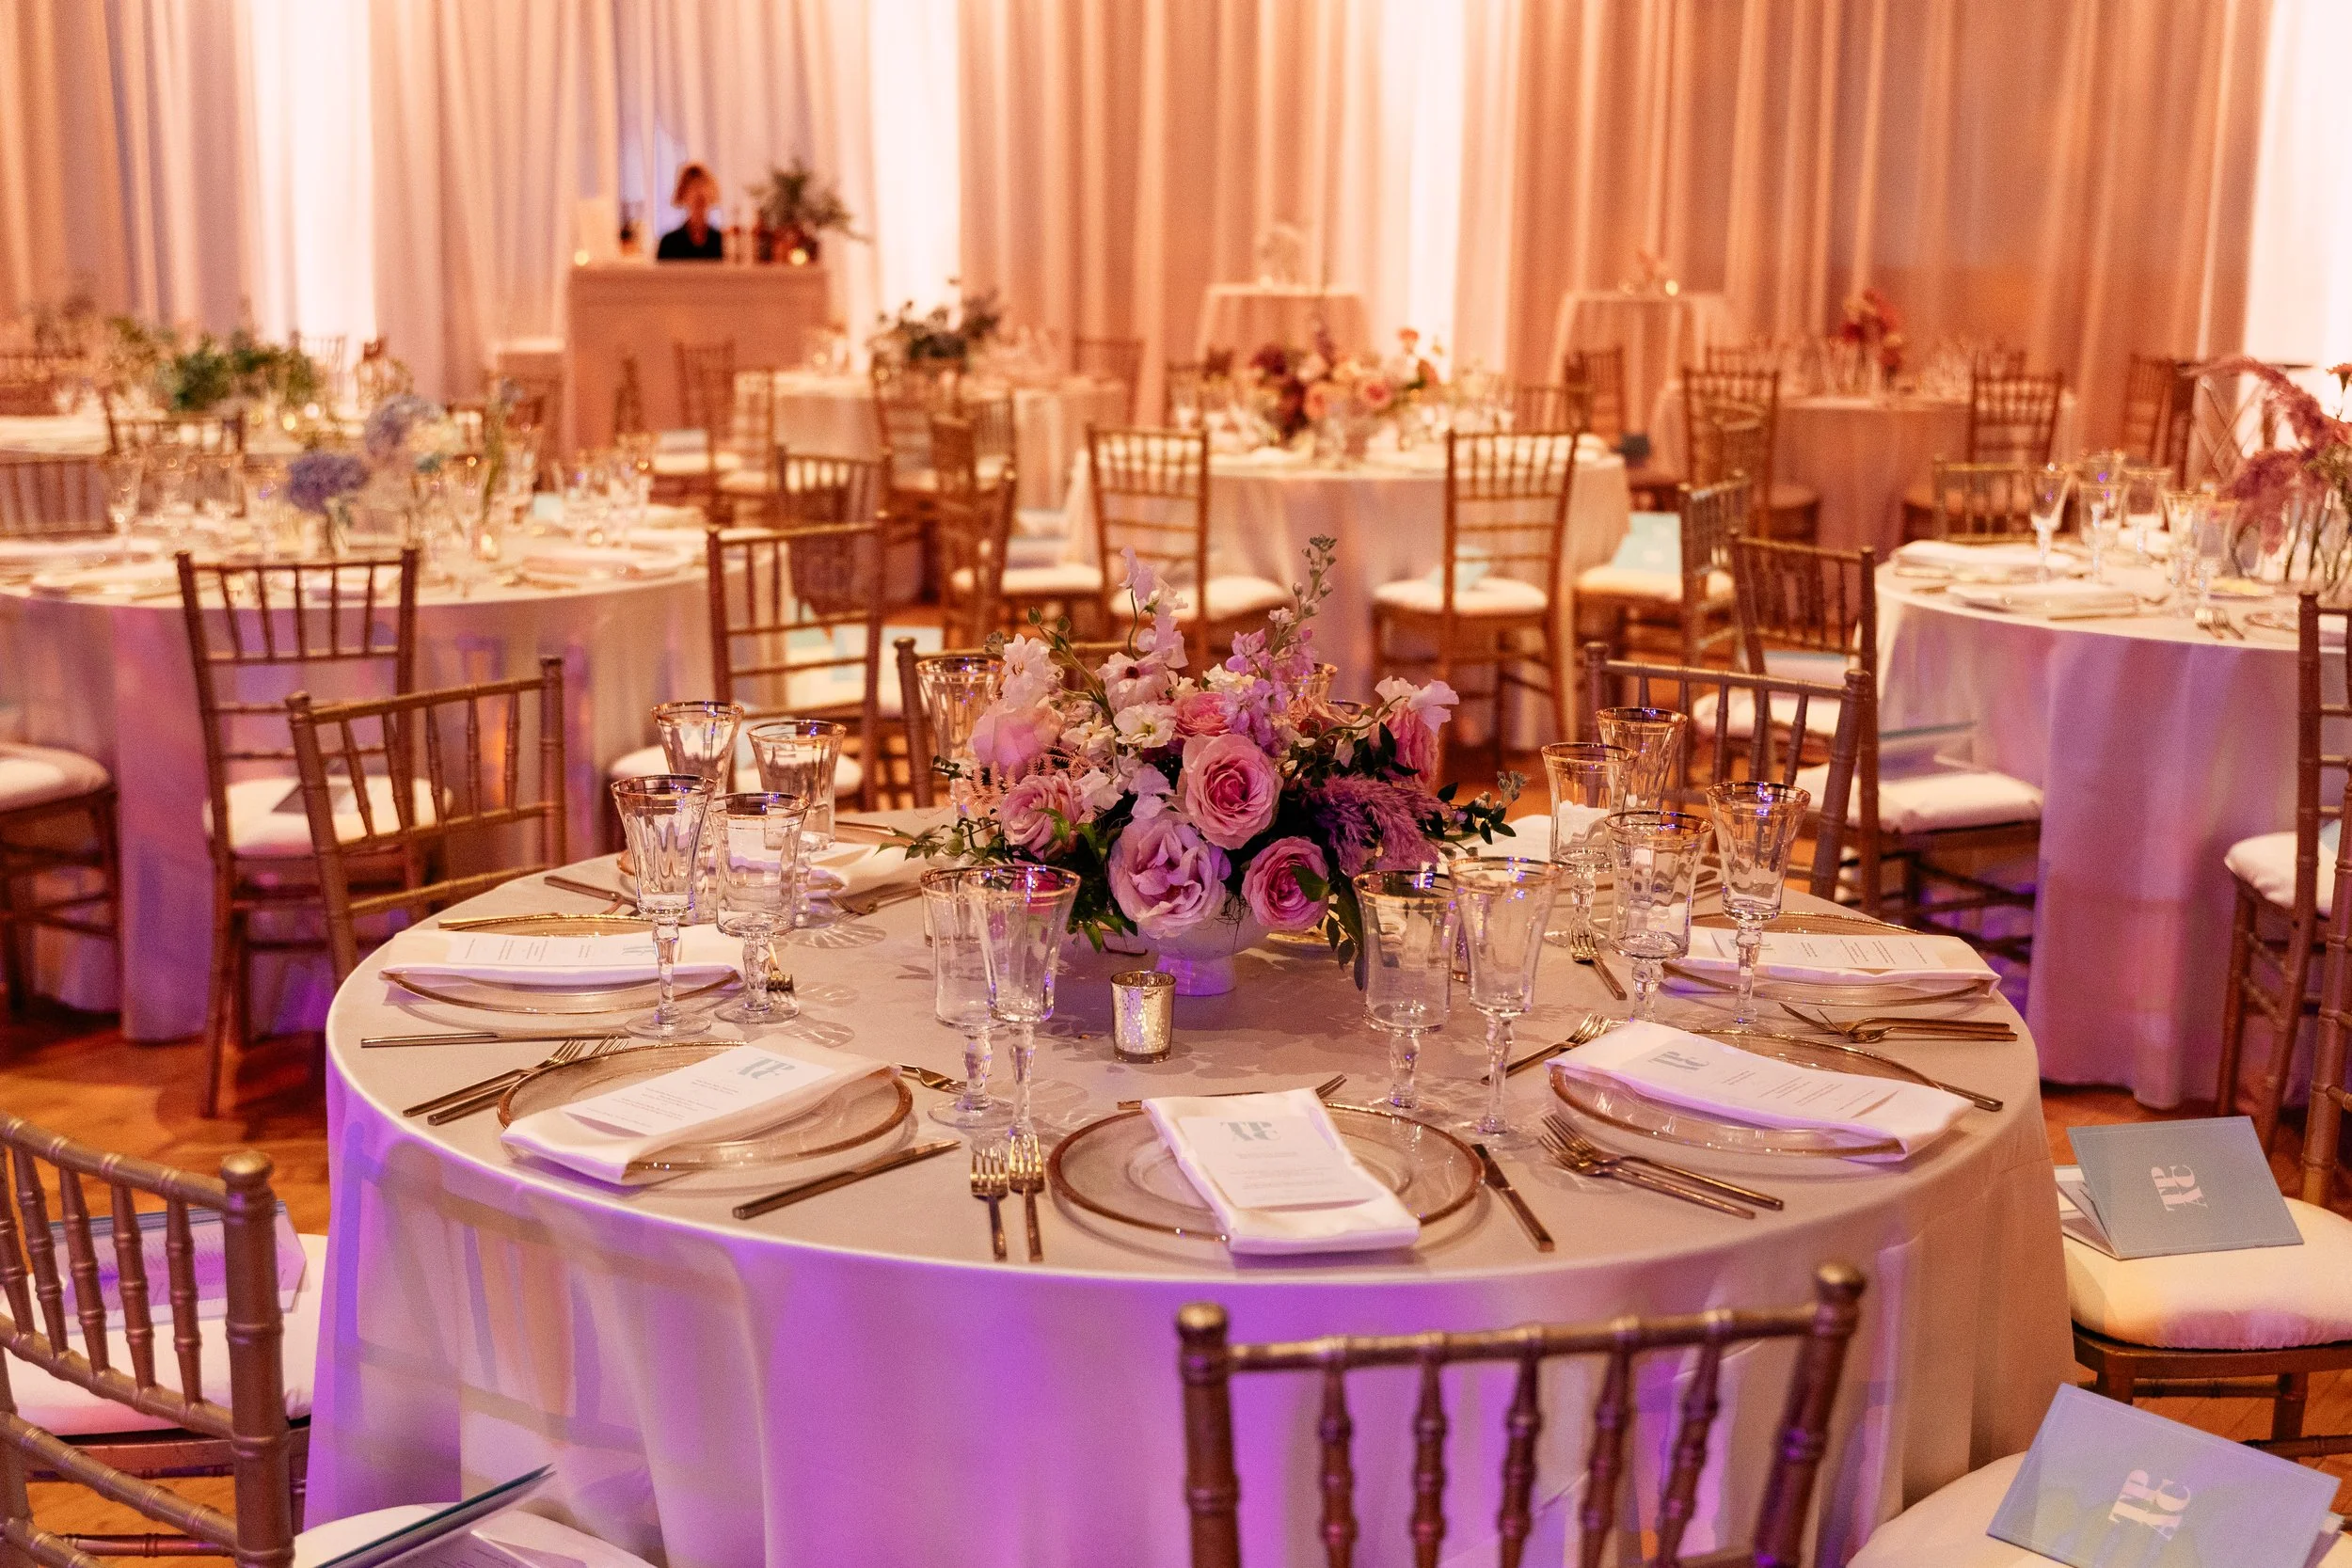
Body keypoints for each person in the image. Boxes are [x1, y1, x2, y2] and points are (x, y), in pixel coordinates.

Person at [657, 163, 724, 261]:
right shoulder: (669, 243)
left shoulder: (722, 242)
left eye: (703, 185)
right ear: (682, 195)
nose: (699, 192)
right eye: (692, 187)